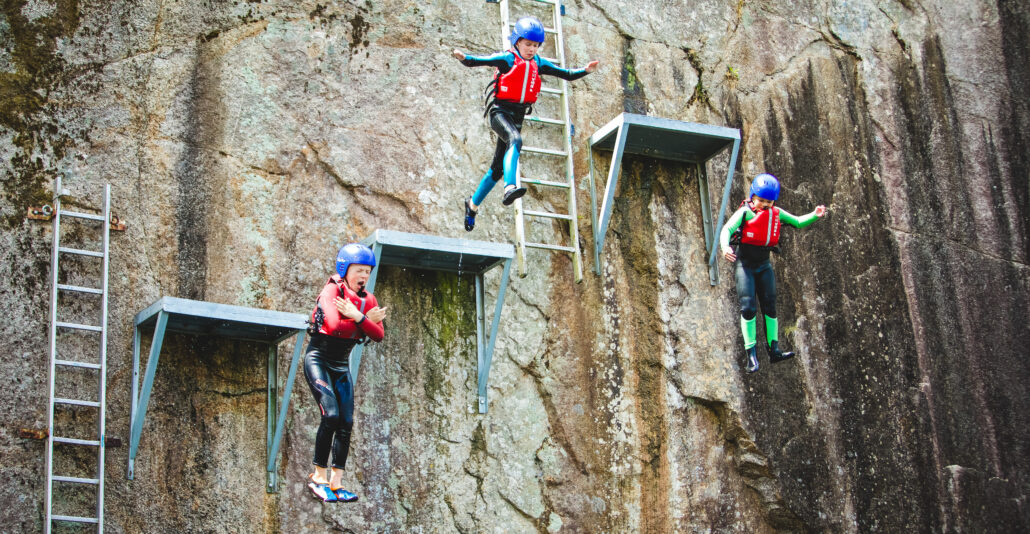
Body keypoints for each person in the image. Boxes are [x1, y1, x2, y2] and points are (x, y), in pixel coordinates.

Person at [452, 15, 599, 231]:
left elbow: (566, 74)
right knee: (515, 140)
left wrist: (585, 70)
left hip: (517, 116)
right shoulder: (507, 59)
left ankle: (472, 205)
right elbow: (477, 60)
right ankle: (510, 187)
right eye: (528, 44)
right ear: (517, 41)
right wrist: (463, 57)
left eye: (536, 45)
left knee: (496, 170)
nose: (532, 49)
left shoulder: (539, 64)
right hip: (499, 112)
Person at [304, 243, 387, 502]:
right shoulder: (332, 291)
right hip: (318, 359)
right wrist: (364, 319)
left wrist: (357, 316)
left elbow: (379, 335)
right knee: (330, 415)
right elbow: (333, 325)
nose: (363, 276)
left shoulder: (367, 300)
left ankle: (336, 482)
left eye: (367, 271)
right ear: (345, 269)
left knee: (346, 422)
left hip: (341, 365)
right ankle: (318, 476)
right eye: (359, 270)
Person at [719, 173, 826, 373]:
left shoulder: (776, 213)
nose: (765, 205)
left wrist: (815, 214)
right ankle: (751, 355)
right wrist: (725, 248)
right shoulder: (745, 213)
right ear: (753, 197)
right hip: (746, 265)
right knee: (748, 307)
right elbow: (727, 229)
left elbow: (798, 222)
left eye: (769, 202)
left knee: (770, 306)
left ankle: (774, 350)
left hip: (764, 265)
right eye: (761, 201)